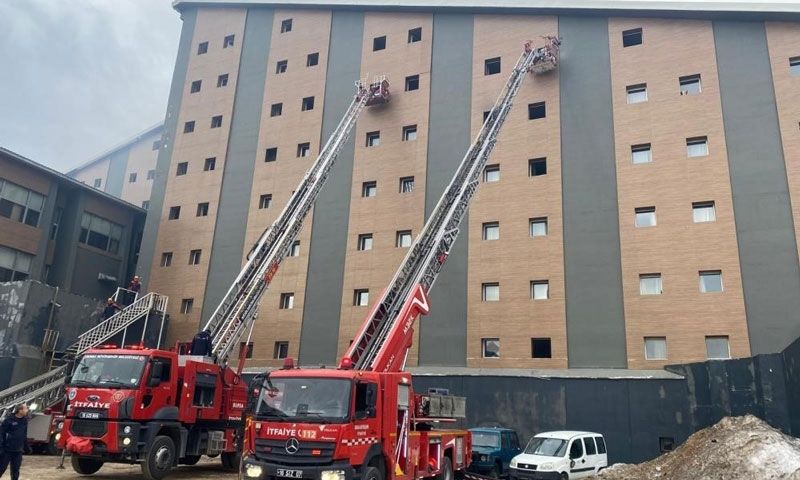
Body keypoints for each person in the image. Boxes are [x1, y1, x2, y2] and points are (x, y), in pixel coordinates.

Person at [0, 403, 28, 480]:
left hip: (18, 451)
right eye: (25, 409)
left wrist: (26, 446)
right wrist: (1, 447)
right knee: (1, 469)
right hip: (7, 450)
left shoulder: (25, 420)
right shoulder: (8, 420)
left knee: (15, 471)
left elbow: (24, 434)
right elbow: (1, 434)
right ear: (20, 410)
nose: (27, 410)